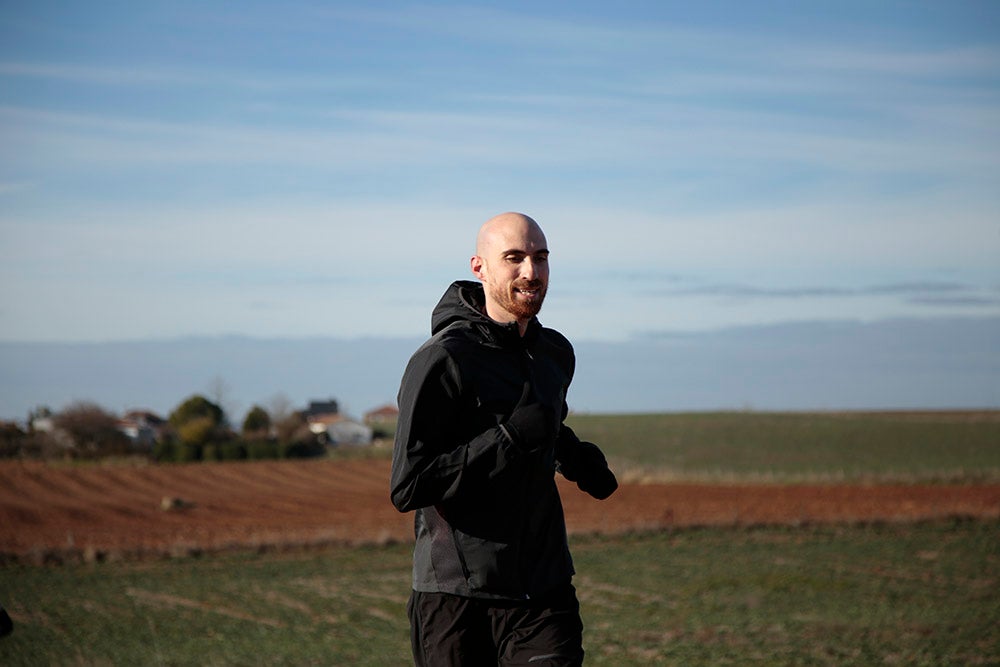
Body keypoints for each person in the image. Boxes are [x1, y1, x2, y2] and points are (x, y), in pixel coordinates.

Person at [390, 212, 619, 666]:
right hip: (456, 596)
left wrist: (573, 455)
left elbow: (543, 428)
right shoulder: (443, 359)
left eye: (540, 258)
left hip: (543, 588)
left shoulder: (554, 353)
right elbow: (409, 485)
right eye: (513, 258)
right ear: (480, 267)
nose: (530, 272)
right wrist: (509, 439)